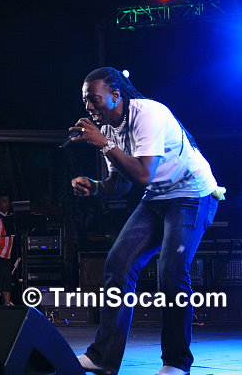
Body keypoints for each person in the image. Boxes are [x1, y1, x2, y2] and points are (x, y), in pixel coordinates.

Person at [70, 67, 222, 375]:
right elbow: (120, 184)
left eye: (94, 99)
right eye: (85, 100)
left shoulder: (148, 114)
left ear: (116, 96)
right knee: (117, 264)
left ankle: (177, 362)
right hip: (157, 198)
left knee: (172, 272)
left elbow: (142, 175)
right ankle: (103, 358)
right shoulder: (109, 129)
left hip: (192, 194)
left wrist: (104, 144)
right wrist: (96, 187)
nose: (89, 106)